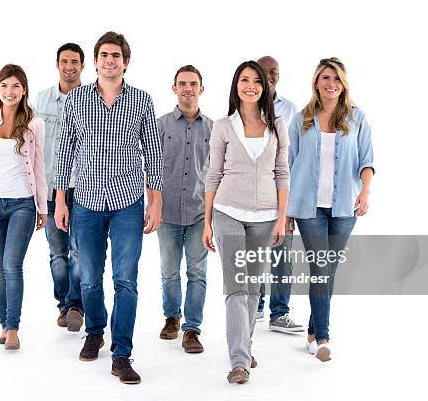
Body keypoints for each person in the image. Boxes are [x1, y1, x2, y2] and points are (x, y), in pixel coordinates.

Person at [53, 31, 162, 385]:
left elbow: (154, 153)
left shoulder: (142, 101)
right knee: (88, 278)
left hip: (128, 202)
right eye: (103, 54)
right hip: (84, 202)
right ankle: (95, 331)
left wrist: (154, 199)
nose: (109, 60)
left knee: (125, 279)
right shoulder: (76, 100)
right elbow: (64, 152)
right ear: (96, 61)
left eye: (116, 55)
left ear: (125, 62)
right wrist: (59, 200)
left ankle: (121, 354)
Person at [203, 61, 289, 384]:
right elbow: (213, 174)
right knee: (236, 289)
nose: (250, 85)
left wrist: (282, 217)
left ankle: (244, 345)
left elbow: (283, 172)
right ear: (235, 85)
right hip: (227, 212)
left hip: (266, 218)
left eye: (256, 81)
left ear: (264, 87)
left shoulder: (277, 126)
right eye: (244, 80)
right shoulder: (223, 126)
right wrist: (207, 221)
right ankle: (239, 361)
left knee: (253, 291)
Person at [287, 57, 374, 362]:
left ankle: (313, 329)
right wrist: (286, 211)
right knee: (320, 267)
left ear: (343, 84)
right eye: (325, 78)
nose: (330, 84)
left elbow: (366, 159)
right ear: (317, 82)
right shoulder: (301, 119)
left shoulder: (357, 118)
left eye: (336, 79)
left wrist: (365, 191)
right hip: (307, 208)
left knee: (327, 271)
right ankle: (323, 337)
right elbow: (289, 166)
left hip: (344, 207)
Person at [0, 64, 48, 351]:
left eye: (15, 86)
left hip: (22, 204)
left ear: (23, 89)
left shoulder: (34, 123)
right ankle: (3, 324)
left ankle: (13, 327)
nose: (9, 91)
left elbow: (38, 167)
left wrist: (42, 207)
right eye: (4, 85)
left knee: (12, 265)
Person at [156, 65, 212, 353]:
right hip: (166, 212)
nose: (188, 88)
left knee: (197, 272)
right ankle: (172, 317)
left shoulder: (213, 128)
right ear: (174, 88)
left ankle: (192, 329)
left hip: (199, 212)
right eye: (182, 83)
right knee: (168, 271)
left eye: (193, 83)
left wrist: (213, 218)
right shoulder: (161, 125)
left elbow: (219, 173)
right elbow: (149, 167)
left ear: (202, 88)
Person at [33, 43, 85, 331]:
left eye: (74, 61)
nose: (69, 66)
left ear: (82, 65)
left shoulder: (91, 100)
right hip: (51, 189)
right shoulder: (41, 101)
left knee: (79, 251)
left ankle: (76, 304)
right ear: (57, 64)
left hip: (83, 188)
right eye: (64, 61)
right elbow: (30, 146)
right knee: (57, 254)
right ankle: (64, 304)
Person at [254, 55, 304, 333]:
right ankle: (257, 306)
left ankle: (279, 313)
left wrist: (291, 206)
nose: (269, 75)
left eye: (274, 72)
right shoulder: (246, 105)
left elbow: (295, 158)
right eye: (264, 71)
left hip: (282, 194)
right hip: (254, 194)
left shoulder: (291, 109)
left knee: (283, 256)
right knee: (255, 254)